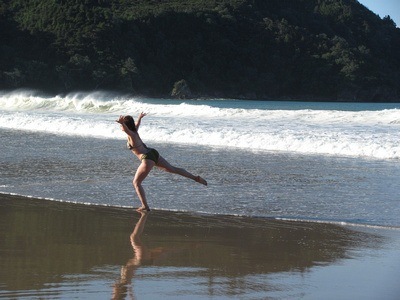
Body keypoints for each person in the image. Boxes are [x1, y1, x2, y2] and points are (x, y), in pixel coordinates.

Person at [117, 113, 207, 211]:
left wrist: (123, 123)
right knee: (173, 169)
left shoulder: (131, 134)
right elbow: (136, 125)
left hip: (147, 158)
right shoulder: (135, 132)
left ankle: (145, 206)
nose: (121, 127)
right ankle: (195, 178)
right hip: (153, 152)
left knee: (136, 183)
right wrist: (139, 118)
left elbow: (127, 130)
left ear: (126, 126)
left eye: (121, 125)